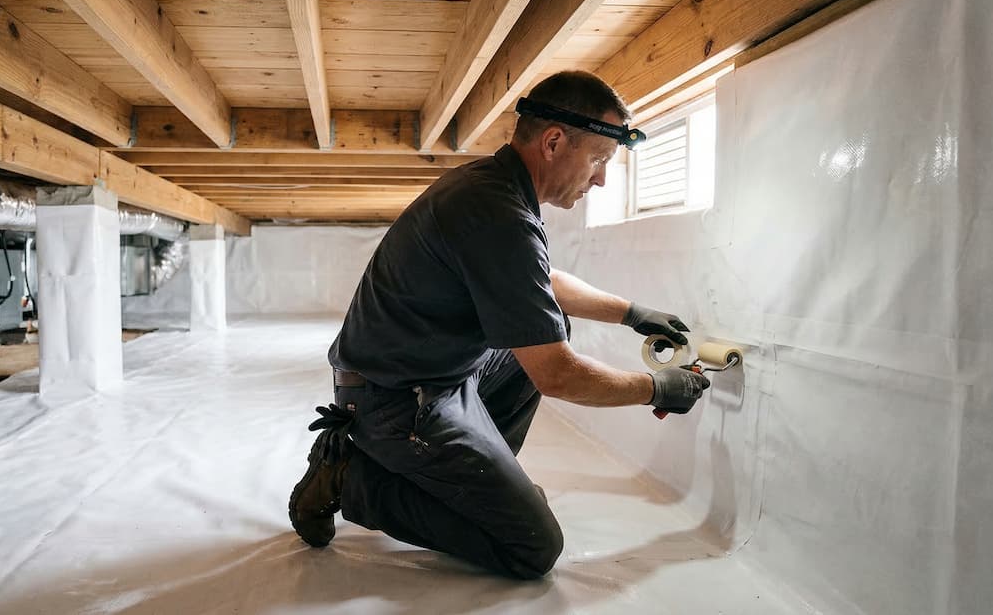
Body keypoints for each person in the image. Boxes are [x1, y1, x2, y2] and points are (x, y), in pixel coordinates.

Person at [288, 70, 710, 580]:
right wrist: (655, 389)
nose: (600, 178)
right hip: (393, 400)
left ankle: (468, 486)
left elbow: (540, 281)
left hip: (427, 374)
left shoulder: (493, 187)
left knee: (541, 337)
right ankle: (349, 479)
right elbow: (556, 375)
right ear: (554, 142)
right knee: (532, 548)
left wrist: (631, 313)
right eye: (598, 159)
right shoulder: (497, 212)